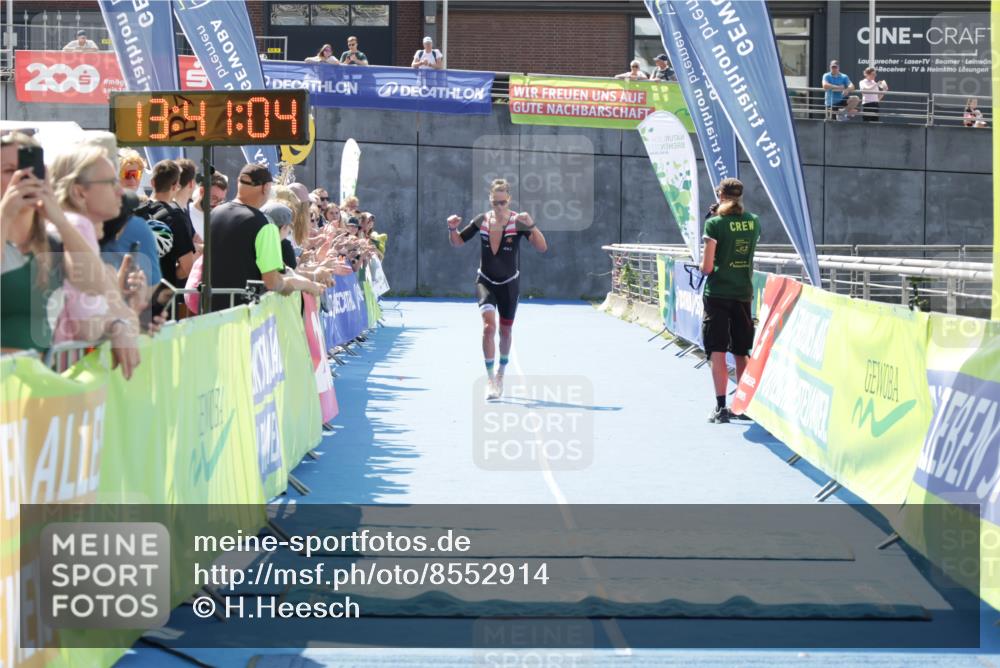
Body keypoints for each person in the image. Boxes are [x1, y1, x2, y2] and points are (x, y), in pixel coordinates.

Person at [0, 132, 140, 376]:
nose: (21, 178)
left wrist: (58, 218)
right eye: (8, 171)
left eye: (30, 170)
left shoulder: (52, 242)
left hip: (39, 393)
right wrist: (5, 216)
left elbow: (94, 288)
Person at [447, 179, 547, 400]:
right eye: (495, 203)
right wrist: (452, 228)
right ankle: (491, 379)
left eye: (503, 202)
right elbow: (457, 242)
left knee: (506, 331)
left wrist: (531, 225)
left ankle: (502, 372)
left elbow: (542, 247)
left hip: (510, 284)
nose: (499, 207)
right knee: (488, 327)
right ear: (490, 201)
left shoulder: (518, 222)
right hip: (485, 281)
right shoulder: (482, 220)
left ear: (509, 200)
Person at [206, 164, 322, 311]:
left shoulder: (214, 214)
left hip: (209, 314)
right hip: (246, 313)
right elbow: (272, 282)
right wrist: (300, 285)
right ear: (266, 187)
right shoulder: (265, 224)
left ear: (238, 182)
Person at [699, 178, 760, 424]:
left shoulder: (714, 224)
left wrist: (714, 220)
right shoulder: (754, 221)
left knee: (717, 350)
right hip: (742, 292)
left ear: (721, 196)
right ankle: (743, 405)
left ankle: (721, 407)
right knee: (740, 351)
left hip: (718, 294)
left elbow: (706, 268)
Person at [133, 160, 196, 290]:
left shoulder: (134, 211)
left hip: (133, 293)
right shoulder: (176, 217)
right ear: (175, 186)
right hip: (161, 297)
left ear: (152, 183)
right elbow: (188, 268)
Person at [189, 169, 229, 243]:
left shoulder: (220, 219)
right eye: (214, 198)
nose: (217, 204)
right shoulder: (186, 214)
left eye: (221, 200)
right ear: (202, 191)